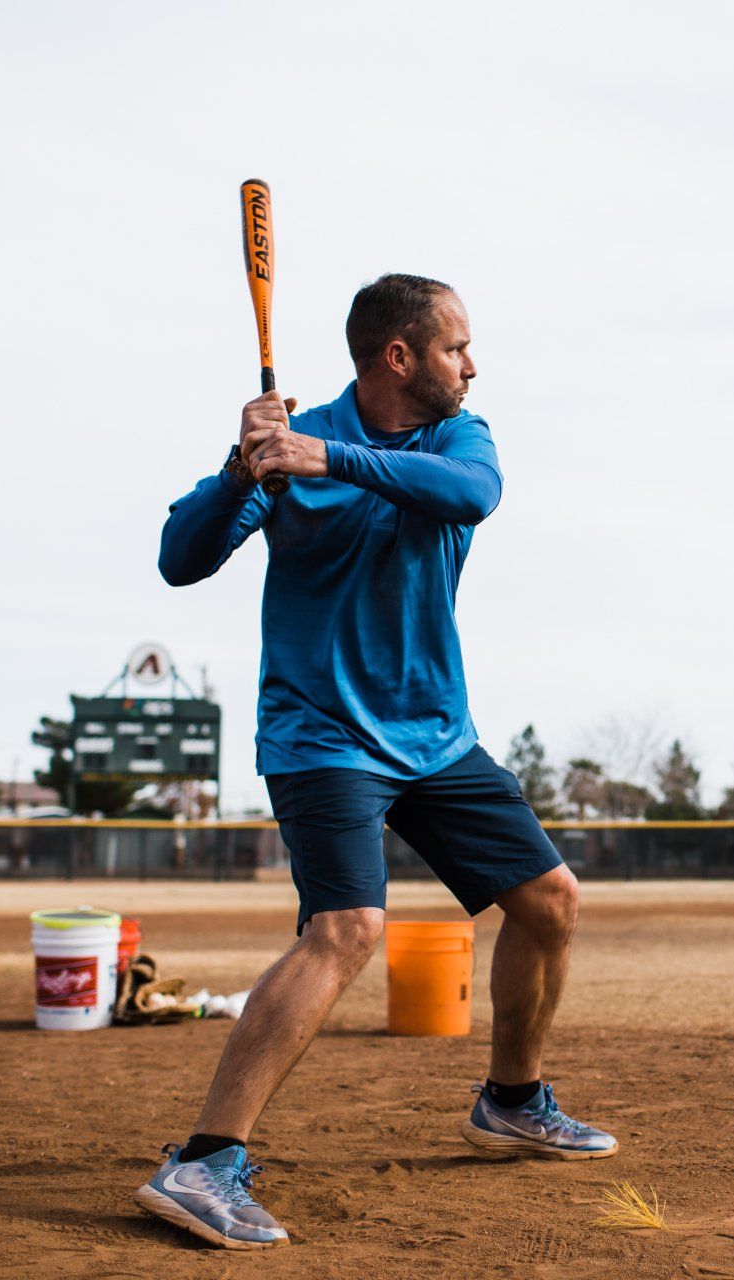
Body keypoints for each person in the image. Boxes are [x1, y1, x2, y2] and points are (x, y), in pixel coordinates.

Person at [138, 274, 615, 1251]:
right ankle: (205, 1160)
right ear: (399, 356)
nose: (471, 366)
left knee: (550, 900)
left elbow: (473, 497)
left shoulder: (455, 439)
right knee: (346, 928)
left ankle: (512, 1100)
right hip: (321, 733)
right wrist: (238, 470)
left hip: (434, 733)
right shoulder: (289, 446)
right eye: (455, 348)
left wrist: (330, 458)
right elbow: (180, 560)